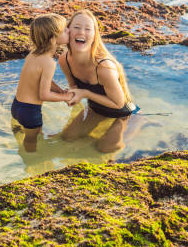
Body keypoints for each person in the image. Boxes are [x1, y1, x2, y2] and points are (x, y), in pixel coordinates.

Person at [58, 9, 138, 153]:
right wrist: (67, 96)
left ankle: (141, 121)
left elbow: (118, 103)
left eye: (88, 29)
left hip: (122, 113)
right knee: (67, 138)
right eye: (76, 27)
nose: (81, 32)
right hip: (95, 110)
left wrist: (85, 93)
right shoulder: (64, 60)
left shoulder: (104, 68)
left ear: (94, 36)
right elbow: (75, 89)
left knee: (105, 148)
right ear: (68, 31)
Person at [11, 13, 76, 152]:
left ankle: (20, 140)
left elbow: (41, 79)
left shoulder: (33, 55)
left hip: (16, 106)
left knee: (26, 133)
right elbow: (44, 95)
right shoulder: (49, 63)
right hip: (30, 112)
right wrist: (65, 97)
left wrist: (59, 91)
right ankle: (31, 162)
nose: (69, 30)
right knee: (32, 141)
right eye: (65, 30)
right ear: (53, 39)